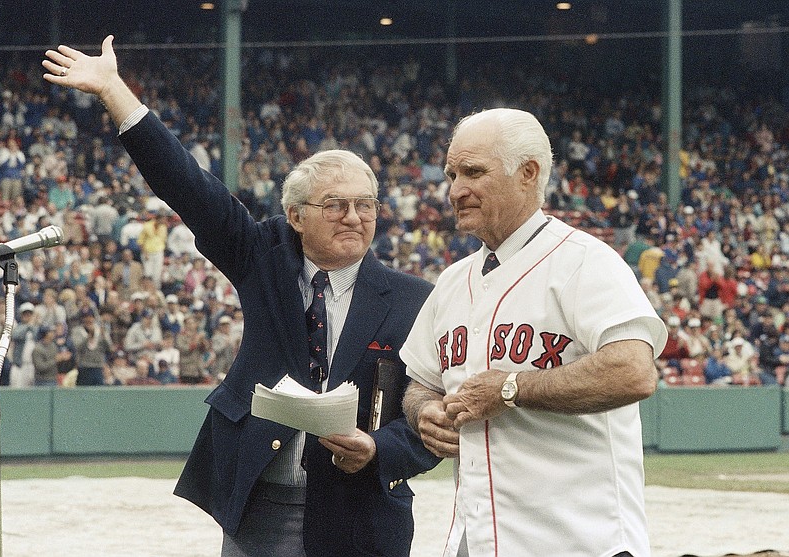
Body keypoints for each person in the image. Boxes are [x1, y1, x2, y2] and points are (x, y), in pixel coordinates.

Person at [44, 36, 439, 557]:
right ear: (296, 217)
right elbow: (186, 185)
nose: (354, 216)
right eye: (335, 205)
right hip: (262, 504)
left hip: (361, 513)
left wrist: (378, 449)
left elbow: (432, 418)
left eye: (365, 205)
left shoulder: (416, 300)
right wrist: (114, 91)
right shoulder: (263, 258)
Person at [399, 108, 667, 557]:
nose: (455, 190)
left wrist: (511, 388)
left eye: (474, 172)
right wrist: (424, 412)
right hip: (475, 536)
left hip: (578, 540)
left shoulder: (584, 261)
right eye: (451, 174)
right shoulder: (451, 282)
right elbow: (419, 384)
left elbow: (633, 371)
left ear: (528, 173)